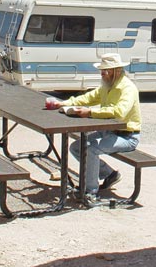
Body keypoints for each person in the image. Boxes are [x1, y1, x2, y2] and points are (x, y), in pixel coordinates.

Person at [56, 52, 141, 201]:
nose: (102, 73)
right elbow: (88, 98)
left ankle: (90, 192)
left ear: (116, 71)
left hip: (127, 136)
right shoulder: (107, 85)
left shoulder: (128, 88)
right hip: (109, 131)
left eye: (105, 70)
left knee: (91, 150)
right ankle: (109, 174)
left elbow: (119, 112)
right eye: (101, 70)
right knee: (76, 147)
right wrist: (64, 103)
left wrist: (90, 112)